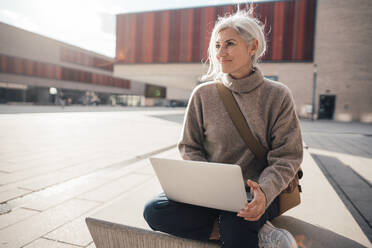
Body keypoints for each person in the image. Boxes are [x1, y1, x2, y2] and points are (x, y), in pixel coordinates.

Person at [143, 10, 303, 248]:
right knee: (155, 210)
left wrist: (265, 192)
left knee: (237, 219)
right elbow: (189, 146)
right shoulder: (203, 94)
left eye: (229, 44)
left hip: (261, 190)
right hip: (213, 192)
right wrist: (207, 185)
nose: (220, 52)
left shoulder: (278, 95)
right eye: (217, 45)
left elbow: (287, 156)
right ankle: (261, 234)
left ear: (252, 47)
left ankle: (245, 226)